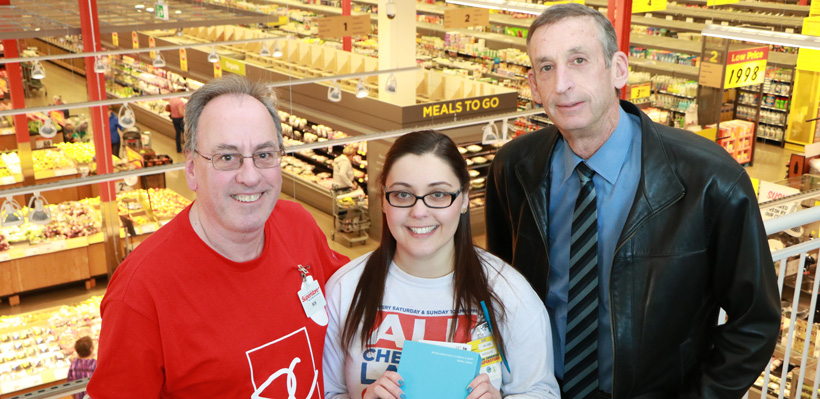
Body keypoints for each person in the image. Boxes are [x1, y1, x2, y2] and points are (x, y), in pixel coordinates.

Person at [484, 4, 780, 398]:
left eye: (579, 60)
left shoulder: (710, 179)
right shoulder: (514, 167)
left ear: (618, 69)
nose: (562, 84)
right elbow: (503, 291)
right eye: (546, 67)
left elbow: (755, 320)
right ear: (533, 85)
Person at [87, 75, 349, 398]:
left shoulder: (300, 227)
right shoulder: (141, 293)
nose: (250, 176)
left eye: (264, 155)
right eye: (227, 157)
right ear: (192, 169)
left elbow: (359, 305)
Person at [323, 130, 560, 399]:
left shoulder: (509, 292)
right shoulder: (345, 289)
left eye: (438, 194)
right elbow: (326, 390)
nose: (419, 211)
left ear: (464, 199)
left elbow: (540, 391)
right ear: (384, 200)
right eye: (402, 194)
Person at [168, 88, 186, 153]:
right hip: (180, 119)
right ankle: (186, 149)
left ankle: (179, 149)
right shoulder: (180, 102)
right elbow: (181, 113)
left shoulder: (172, 99)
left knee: (177, 134)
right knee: (185, 134)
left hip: (174, 118)